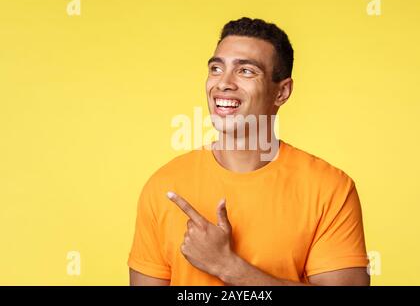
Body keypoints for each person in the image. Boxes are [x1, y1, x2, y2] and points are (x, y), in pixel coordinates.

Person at [127, 17, 370, 286]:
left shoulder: (330, 189)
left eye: (246, 71)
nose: (224, 83)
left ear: (282, 92)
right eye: (216, 68)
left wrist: (228, 267)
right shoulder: (164, 186)